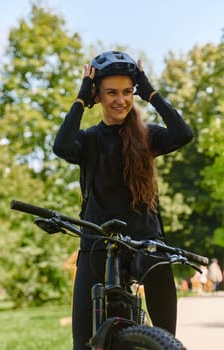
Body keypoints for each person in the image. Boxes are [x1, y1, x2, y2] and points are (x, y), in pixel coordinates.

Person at [53, 50, 193, 349]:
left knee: (167, 339)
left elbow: (183, 134)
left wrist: (150, 92)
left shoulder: (147, 136)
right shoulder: (89, 139)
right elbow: (61, 145)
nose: (121, 100)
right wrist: (80, 98)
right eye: (111, 92)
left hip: (146, 242)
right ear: (98, 96)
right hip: (98, 243)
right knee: (83, 342)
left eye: (128, 91)